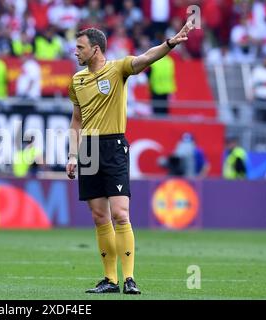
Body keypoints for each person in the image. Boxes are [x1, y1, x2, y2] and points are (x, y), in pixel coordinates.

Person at [66, 22, 194, 294]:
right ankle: (110, 280)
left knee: (120, 213)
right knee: (100, 217)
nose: (75, 52)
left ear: (95, 49)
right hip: (88, 148)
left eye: (80, 47)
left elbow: (147, 57)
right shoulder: (76, 81)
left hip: (113, 145)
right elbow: (76, 120)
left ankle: (130, 278)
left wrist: (169, 44)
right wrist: (72, 155)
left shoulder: (118, 68)